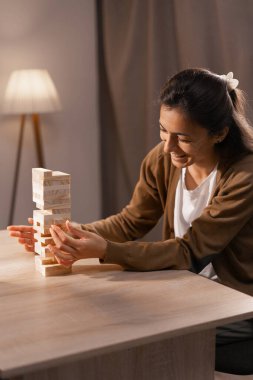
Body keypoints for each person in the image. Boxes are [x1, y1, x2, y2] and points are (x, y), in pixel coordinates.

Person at [8, 68, 253, 375]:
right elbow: (130, 222)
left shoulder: (245, 175)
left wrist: (104, 250)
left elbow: (189, 252)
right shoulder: (163, 159)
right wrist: (66, 233)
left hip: (240, 302)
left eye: (183, 138)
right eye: (163, 130)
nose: (168, 146)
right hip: (190, 290)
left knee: (128, 334)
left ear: (219, 133)